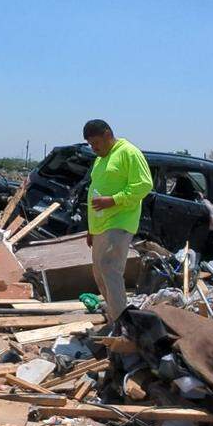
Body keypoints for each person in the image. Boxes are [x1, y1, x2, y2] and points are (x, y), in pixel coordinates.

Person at [83, 119, 152, 323]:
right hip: (101, 226)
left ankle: (122, 323)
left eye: (96, 143)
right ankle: (115, 315)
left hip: (119, 222)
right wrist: (91, 229)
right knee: (99, 271)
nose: (94, 148)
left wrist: (113, 200)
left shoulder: (128, 152)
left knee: (109, 269)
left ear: (107, 134)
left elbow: (143, 185)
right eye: (90, 145)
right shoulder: (101, 159)